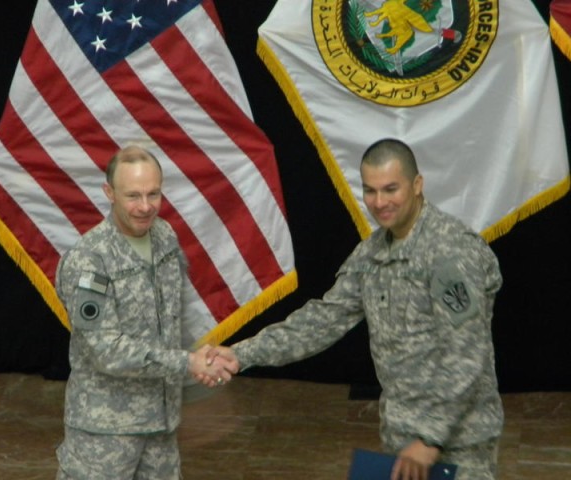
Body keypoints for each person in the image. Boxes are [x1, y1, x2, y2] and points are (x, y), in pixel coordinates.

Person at [205, 139, 504, 480]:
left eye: (391, 189)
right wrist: (241, 354)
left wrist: (430, 439)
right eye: (371, 191)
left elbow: (467, 353)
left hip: (458, 444)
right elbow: (322, 320)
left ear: (417, 185)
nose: (380, 203)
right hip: (403, 439)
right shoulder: (372, 254)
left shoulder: (451, 253)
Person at [55, 145, 234, 480]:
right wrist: (187, 363)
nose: (145, 207)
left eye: (154, 194)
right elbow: (106, 350)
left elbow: (174, 318)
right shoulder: (90, 261)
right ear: (109, 193)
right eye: (133, 196)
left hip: (161, 424)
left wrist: (202, 366)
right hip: (105, 432)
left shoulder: (165, 236)